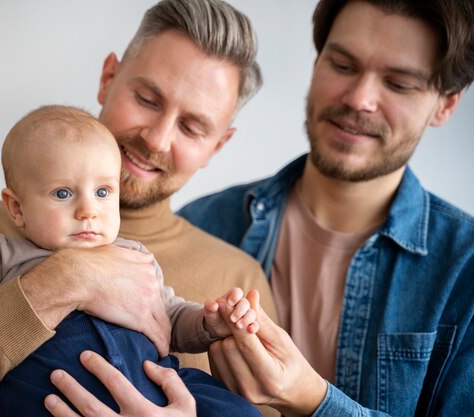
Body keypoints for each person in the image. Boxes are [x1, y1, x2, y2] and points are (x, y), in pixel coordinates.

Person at [0, 1, 279, 416]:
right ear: (108, 78)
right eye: (147, 98)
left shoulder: (236, 279)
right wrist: (63, 281)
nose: (157, 138)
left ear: (218, 145)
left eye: (191, 126)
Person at [178, 0, 474, 416]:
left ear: (445, 104)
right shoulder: (202, 223)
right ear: (317, 62)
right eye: (343, 65)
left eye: (399, 84)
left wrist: (312, 400)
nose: (359, 99)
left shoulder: (466, 270)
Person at [0, 104, 262, 417]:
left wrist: (209, 322)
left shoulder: (135, 257)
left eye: (102, 191)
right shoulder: (0, 254)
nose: (87, 211)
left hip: (158, 386)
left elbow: (171, 319)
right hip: (53, 403)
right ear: (16, 207)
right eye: (63, 193)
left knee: (239, 412)